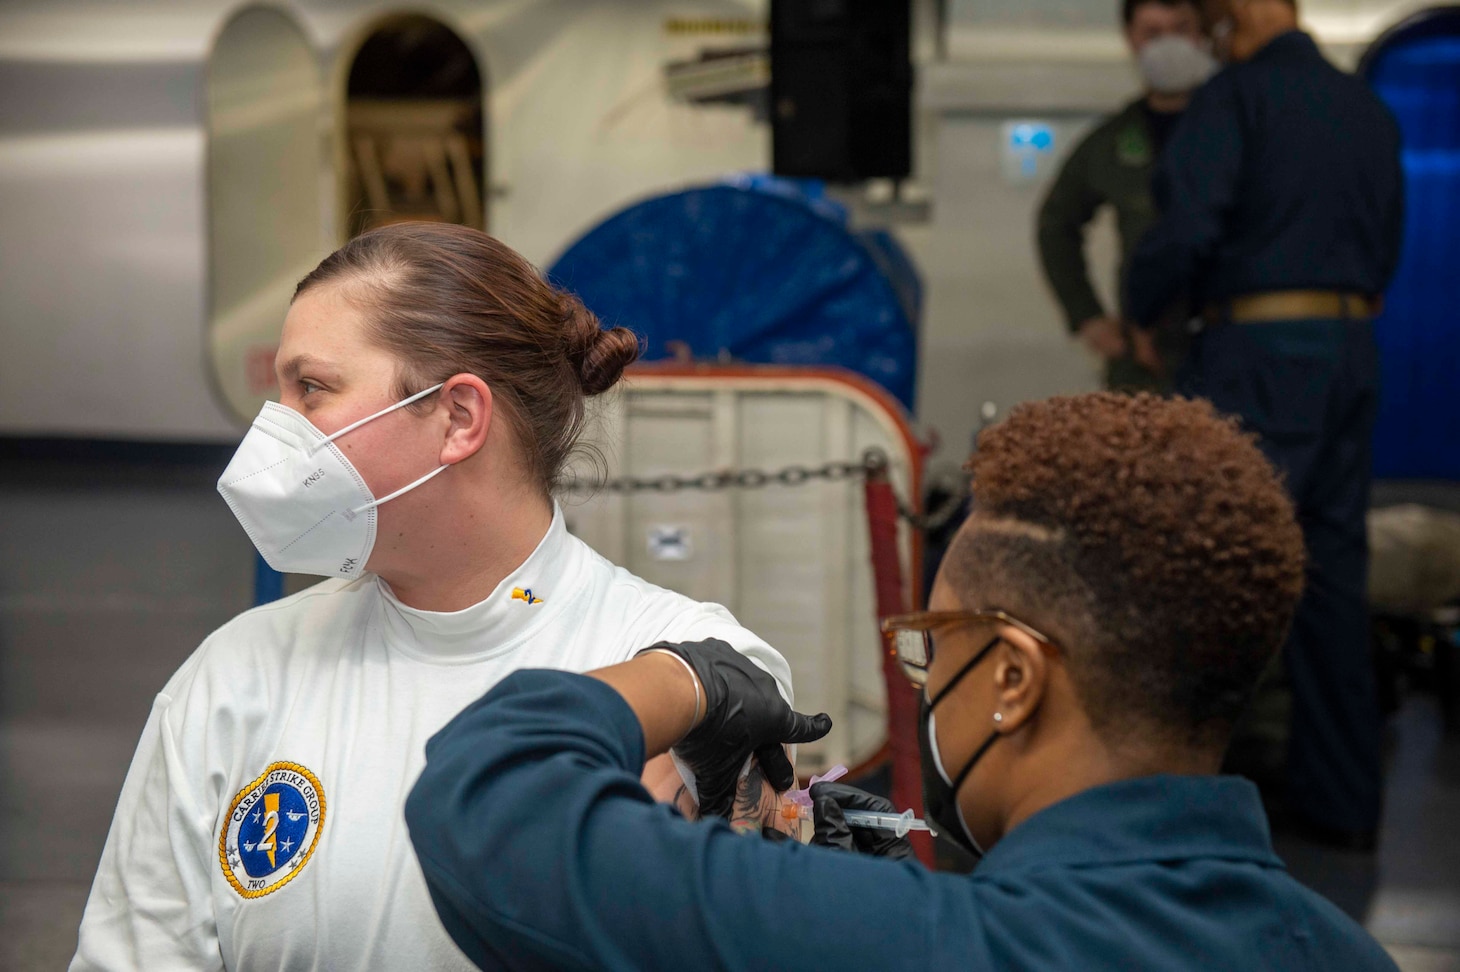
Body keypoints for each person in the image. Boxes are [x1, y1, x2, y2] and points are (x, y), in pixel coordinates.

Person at [406, 392, 1400, 971]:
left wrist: (689, 679)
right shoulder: (1344, 951)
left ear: (1010, 675)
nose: (921, 681)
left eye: (932, 644)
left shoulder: (923, 945)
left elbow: (486, 797)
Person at [70, 223, 796, 971]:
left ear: (458, 419)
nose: (273, 431)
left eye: (311, 389)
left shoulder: (686, 671)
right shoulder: (235, 676)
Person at [1124, 0, 1404, 849]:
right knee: (1332, 583)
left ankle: (1178, 818)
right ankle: (1341, 802)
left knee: (1201, 576)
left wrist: (1144, 307)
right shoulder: (1366, 106)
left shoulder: (1234, 98)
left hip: (1257, 355)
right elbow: (1388, 238)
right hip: (1351, 349)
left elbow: (1190, 225)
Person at [1036, 0, 1215, 392]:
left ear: (1203, 34)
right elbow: (1056, 224)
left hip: (1229, 349)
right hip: (1145, 358)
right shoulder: (1113, 142)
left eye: (1181, 29)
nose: (1168, 44)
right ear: (1130, 40)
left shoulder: (1236, 128)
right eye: (1152, 33)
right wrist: (1088, 317)